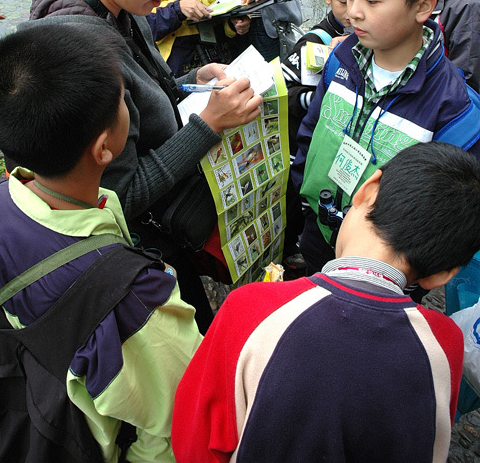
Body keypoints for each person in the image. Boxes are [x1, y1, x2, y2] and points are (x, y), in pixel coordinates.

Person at [27, 0, 263, 332]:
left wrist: (192, 80)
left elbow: (144, 93)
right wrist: (208, 126)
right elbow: (119, 195)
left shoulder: (115, 8)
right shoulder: (78, 51)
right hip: (133, 252)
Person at [172, 142, 480, 463]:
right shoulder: (444, 345)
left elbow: (193, 441)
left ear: (368, 189)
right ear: (442, 275)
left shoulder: (250, 308)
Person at [0, 23, 202, 463]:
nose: (129, 103)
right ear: (105, 148)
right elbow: (176, 425)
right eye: (124, 98)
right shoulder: (135, 301)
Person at [291, 0, 480, 276]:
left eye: (372, 0)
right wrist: (304, 191)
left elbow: (450, 209)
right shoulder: (341, 59)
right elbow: (311, 129)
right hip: (321, 225)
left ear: (422, 7)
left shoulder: (453, 109)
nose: (353, 12)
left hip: (386, 262)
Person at [281, 0, 351, 156]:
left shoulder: (371, 38)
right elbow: (282, 90)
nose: (352, 11)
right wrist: (316, 99)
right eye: (343, 1)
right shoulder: (315, 41)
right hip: (305, 143)